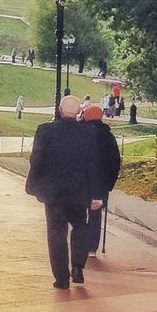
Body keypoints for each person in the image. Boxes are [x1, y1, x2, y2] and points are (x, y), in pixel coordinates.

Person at [24, 95, 116, 289]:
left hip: (53, 192)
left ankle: (61, 277)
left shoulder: (45, 131)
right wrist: (97, 194)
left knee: (56, 232)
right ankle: (78, 266)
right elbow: (94, 166)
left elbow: (37, 159)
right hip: (79, 191)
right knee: (81, 227)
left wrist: (32, 184)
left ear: (59, 108)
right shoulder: (89, 134)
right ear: (79, 112)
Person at [79, 101, 123, 257]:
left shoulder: (80, 134)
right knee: (95, 215)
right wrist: (109, 184)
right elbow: (115, 162)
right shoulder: (108, 137)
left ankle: (80, 243)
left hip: (81, 182)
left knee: (79, 213)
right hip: (101, 184)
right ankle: (92, 247)